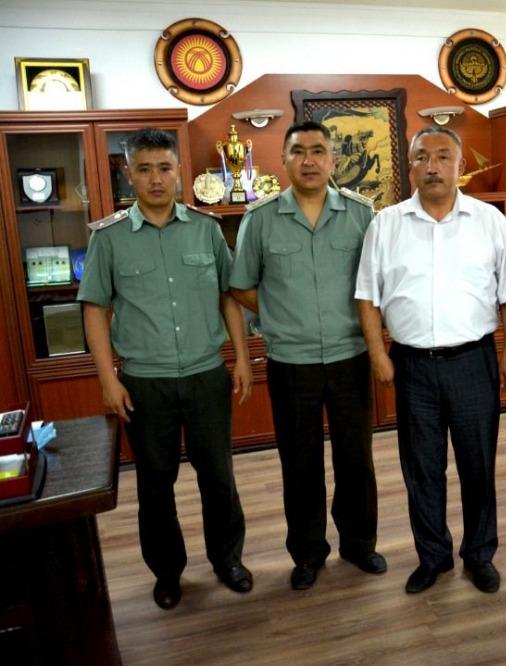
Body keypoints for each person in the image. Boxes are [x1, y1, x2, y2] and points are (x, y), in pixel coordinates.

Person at [78, 128, 254, 610]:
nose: (156, 179)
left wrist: (241, 357)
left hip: (205, 375)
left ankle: (227, 559)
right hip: (144, 383)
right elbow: (94, 309)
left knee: (218, 477)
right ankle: (168, 572)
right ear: (129, 173)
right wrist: (107, 378)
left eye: (164, 168)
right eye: (145, 169)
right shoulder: (109, 237)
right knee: (155, 485)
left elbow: (228, 296)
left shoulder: (205, 229)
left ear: (178, 171)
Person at [355, 126, 506, 595]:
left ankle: (479, 554)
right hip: (412, 366)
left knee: (477, 465)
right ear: (410, 167)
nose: (432, 166)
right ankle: (433, 557)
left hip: (473, 361)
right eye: (422, 158)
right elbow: (366, 297)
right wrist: (378, 353)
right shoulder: (385, 224)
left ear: (460, 165)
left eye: (444, 156)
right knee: (422, 469)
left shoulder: (490, 222)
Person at [229, 120, 384, 590]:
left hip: (349, 354)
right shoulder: (260, 219)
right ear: (284, 160)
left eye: (319, 150)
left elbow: (379, 282)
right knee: (299, 463)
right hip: (291, 362)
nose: (309, 160)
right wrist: (281, 314)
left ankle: (359, 544)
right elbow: (242, 286)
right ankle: (308, 553)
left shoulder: (361, 214)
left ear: (333, 159)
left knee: (356, 458)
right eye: (299, 151)